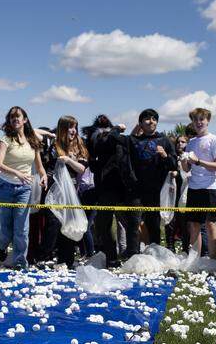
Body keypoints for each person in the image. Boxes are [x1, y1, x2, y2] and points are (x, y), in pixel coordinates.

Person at [0, 106, 46, 269]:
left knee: (21, 228)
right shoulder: (6, 140)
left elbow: (39, 165)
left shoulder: (33, 141)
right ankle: (2, 246)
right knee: (0, 226)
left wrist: (43, 175)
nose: (15, 119)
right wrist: (17, 173)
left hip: (24, 189)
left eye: (18, 116)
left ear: (25, 120)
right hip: (4, 186)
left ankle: (20, 262)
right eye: (12, 117)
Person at [41, 115, 90, 267]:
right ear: (62, 128)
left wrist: (69, 160)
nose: (73, 131)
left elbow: (82, 168)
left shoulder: (80, 145)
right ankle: (45, 256)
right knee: (53, 222)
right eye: (70, 127)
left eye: (75, 127)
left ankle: (66, 259)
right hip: (54, 189)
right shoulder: (54, 146)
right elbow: (47, 165)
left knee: (70, 223)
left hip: (72, 191)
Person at [86, 115, 133, 265]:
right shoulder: (97, 139)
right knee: (103, 223)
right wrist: (116, 130)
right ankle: (111, 257)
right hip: (105, 186)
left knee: (130, 222)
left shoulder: (118, 138)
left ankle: (132, 253)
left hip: (122, 185)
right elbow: (102, 144)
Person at [126, 109, 176, 248]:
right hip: (136, 188)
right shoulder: (133, 141)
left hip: (156, 189)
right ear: (140, 123)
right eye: (147, 119)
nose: (151, 121)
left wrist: (165, 155)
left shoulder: (164, 140)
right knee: (134, 221)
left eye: (154, 119)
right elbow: (127, 162)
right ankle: (133, 253)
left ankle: (155, 251)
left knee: (154, 222)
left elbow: (174, 165)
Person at [181, 108, 216, 261]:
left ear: (208, 121)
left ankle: (213, 261)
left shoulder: (215, 140)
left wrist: (199, 161)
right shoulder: (191, 143)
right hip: (194, 187)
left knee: (210, 223)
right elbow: (187, 169)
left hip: (210, 187)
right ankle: (194, 261)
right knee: (194, 225)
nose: (199, 122)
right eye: (195, 120)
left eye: (202, 119)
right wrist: (184, 162)